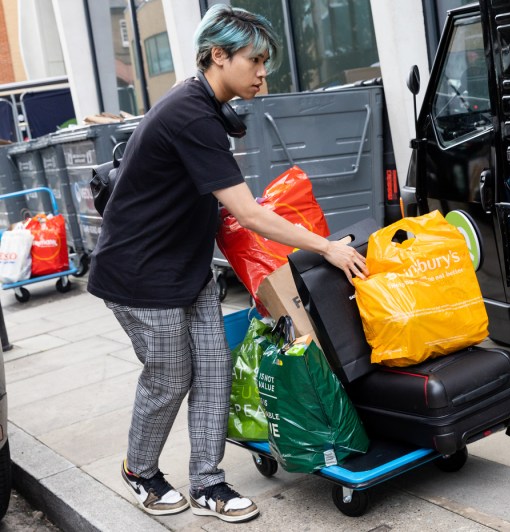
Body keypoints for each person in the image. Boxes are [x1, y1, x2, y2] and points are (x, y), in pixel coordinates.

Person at [87, 4, 367, 524]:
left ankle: (208, 483)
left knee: (214, 371)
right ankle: (140, 469)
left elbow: (223, 207)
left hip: (184, 268)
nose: (263, 73)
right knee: (171, 375)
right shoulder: (191, 113)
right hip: (139, 274)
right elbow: (246, 212)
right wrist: (324, 247)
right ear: (217, 56)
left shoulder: (208, 110)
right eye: (254, 60)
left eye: (266, 62)